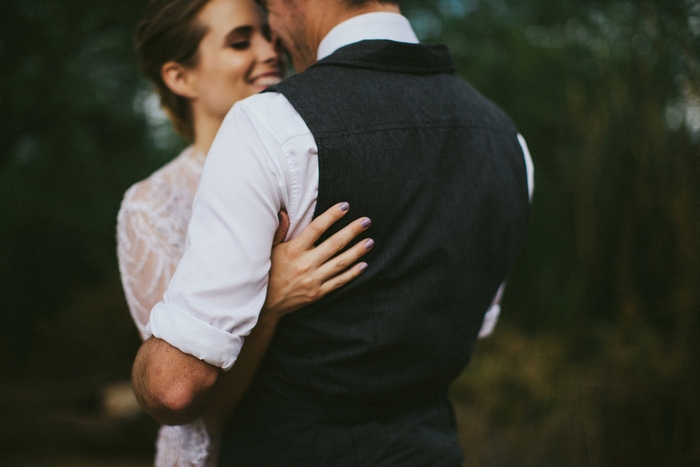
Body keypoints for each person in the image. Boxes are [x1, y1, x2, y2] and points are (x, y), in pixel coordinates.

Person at [132, 0, 535, 465]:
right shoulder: (509, 144)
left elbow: (173, 388)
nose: (274, 37)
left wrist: (148, 373)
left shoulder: (270, 125)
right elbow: (471, 321)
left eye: (270, 11)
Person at [117, 0, 373, 465]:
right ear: (180, 77)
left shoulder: (307, 159)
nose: (270, 50)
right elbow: (182, 398)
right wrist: (269, 301)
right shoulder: (152, 205)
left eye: (267, 34)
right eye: (240, 42)